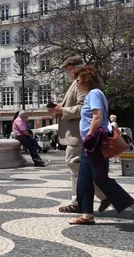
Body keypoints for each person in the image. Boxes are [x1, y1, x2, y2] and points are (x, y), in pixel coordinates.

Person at [69, 66, 134, 226]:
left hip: (95, 141)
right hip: (89, 142)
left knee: (100, 178)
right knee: (84, 179)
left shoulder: (94, 93)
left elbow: (97, 117)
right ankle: (87, 214)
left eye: (77, 80)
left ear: (85, 80)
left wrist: (89, 135)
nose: (76, 83)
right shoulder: (90, 95)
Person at [51, 56, 108, 214]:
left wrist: (63, 111)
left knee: (75, 165)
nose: (67, 73)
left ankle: (104, 194)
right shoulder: (77, 83)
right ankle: (78, 201)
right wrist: (60, 107)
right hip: (78, 133)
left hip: (79, 134)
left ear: (76, 67)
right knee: (75, 167)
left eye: (68, 69)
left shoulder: (82, 84)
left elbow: (84, 108)